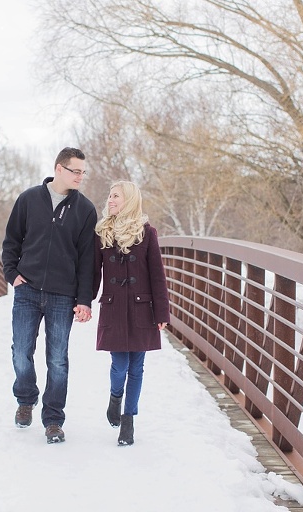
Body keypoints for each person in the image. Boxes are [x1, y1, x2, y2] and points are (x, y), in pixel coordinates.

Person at [2, 147, 97, 444]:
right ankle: (26, 398)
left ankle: (54, 419)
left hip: (62, 296)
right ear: (59, 168)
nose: (80, 176)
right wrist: (11, 273)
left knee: (57, 360)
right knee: (21, 351)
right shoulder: (29, 199)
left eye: (83, 171)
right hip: (27, 289)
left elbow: (88, 261)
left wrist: (84, 300)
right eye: (75, 171)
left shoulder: (85, 210)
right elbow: (12, 240)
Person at [92, 181, 170, 446]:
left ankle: (128, 421)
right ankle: (115, 396)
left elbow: (157, 276)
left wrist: (162, 312)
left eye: (116, 196)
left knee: (137, 368)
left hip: (141, 308)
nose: (110, 199)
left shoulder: (147, 233)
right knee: (120, 365)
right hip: (113, 307)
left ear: (129, 200)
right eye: (110, 195)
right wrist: (82, 301)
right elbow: (92, 273)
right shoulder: (102, 232)